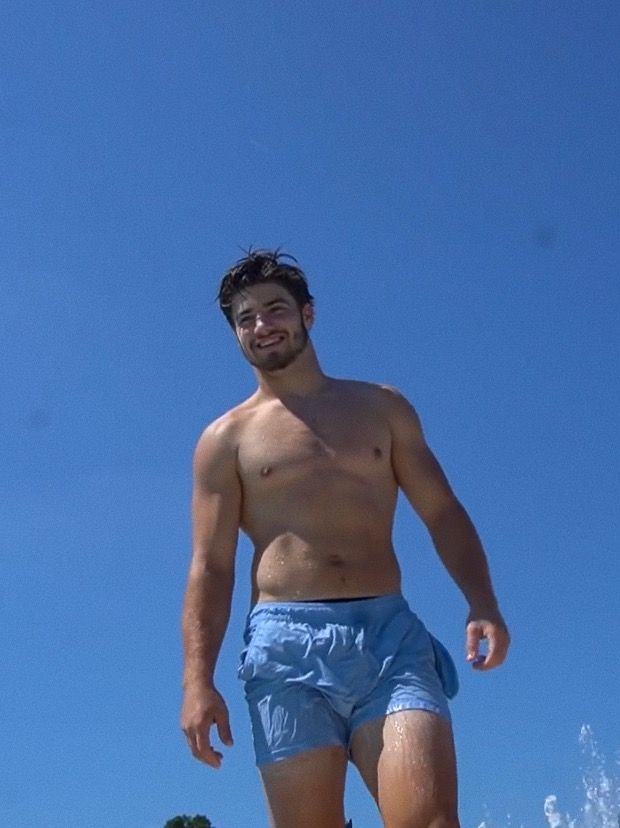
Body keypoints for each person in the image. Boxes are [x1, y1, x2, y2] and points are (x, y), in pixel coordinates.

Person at [181, 249, 510, 828]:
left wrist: (482, 603)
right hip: (284, 648)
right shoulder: (224, 441)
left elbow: (442, 512)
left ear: (308, 314)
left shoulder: (382, 408)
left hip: (389, 640)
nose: (262, 326)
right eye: (246, 317)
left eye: (275, 309)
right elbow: (211, 566)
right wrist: (197, 680)